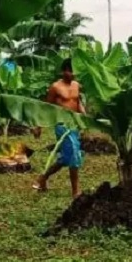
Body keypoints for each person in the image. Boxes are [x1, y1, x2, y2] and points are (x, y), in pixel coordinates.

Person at [32, 60, 86, 198]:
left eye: (74, 71)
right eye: (70, 71)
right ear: (64, 71)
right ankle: (75, 191)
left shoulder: (76, 85)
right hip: (62, 125)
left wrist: (84, 118)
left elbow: (77, 102)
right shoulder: (55, 87)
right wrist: (38, 126)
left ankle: (42, 178)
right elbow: (46, 107)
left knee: (66, 158)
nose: (72, 74)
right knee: (74, 156)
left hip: (74, 125)